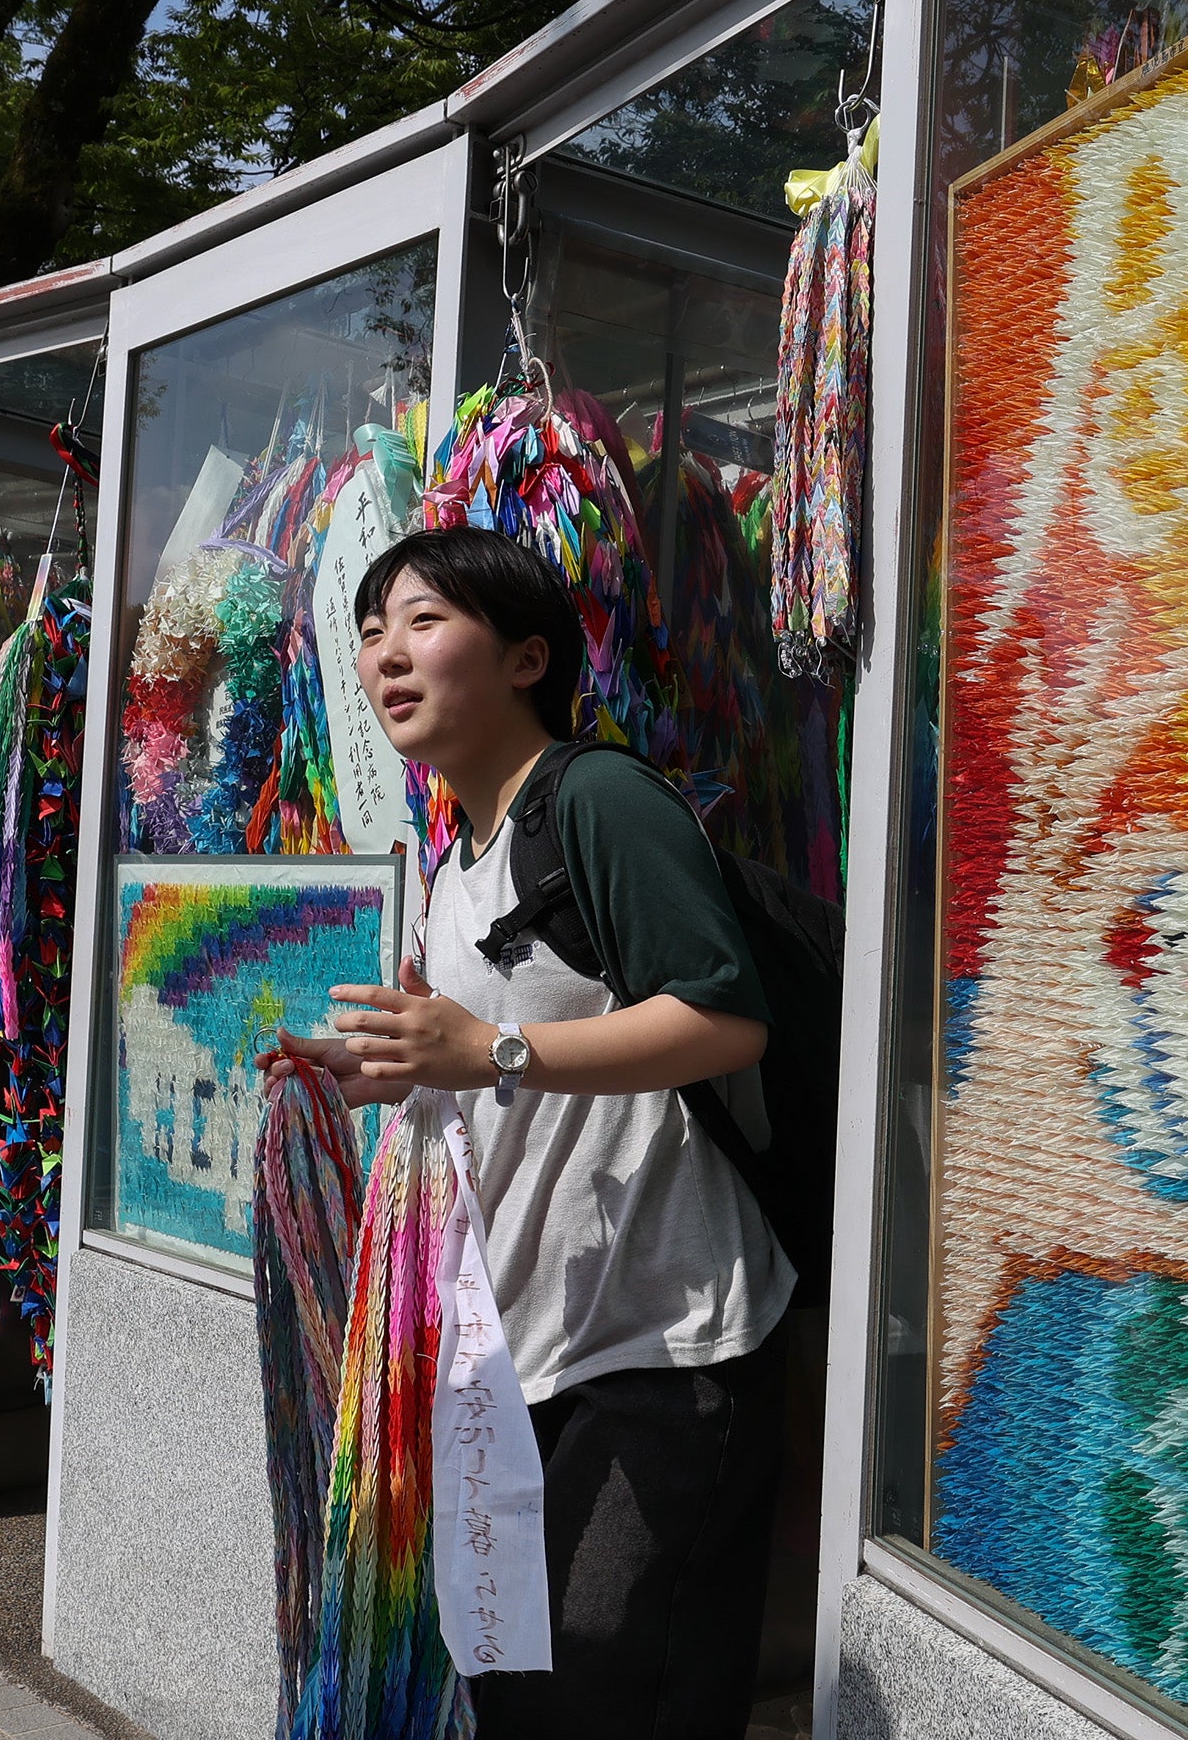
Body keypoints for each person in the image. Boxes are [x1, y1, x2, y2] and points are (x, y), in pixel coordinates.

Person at [262, 525, 790, 1739]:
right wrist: (368, 1072)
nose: (388, 653)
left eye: (425, 620)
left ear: (525, 656)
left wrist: (487, 1048)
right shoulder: (456, 866)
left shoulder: (598, 800)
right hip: (520, 1360)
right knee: (515, 1692)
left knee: (616, 1696)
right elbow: (482, 1065)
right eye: (372, 631)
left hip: (662, 1348)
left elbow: (723, 1019)